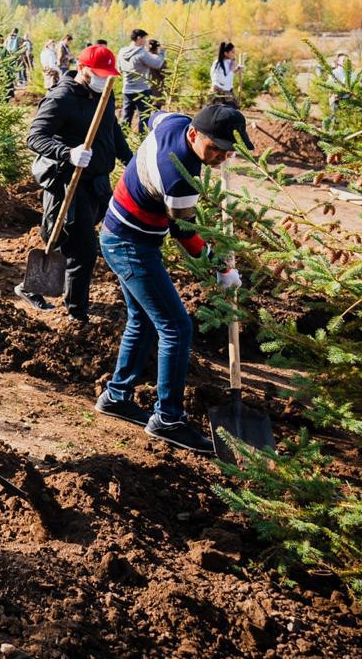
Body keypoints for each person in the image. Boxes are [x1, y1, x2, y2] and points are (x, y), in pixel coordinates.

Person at [95, 104, 253, 454]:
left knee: (143, 320)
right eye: (215, 149)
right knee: (177, 328)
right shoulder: (179, 176)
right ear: (194, 135)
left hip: (123, 235)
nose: (220, 159)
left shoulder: (175, 122)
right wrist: (219, 268)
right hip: (130, 245)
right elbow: (185, 232)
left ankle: (116, 396)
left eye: (228, 153)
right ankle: (168, 419)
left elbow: (155, 116)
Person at [15, 44, 132, 316]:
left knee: (68, 239)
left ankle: (32, 286)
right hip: (69, 183)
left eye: (108, 75)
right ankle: (76, 313)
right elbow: (34, 136)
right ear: (82, 69)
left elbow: (112, 129)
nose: (105, 80)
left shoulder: (105, 94)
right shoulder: (62, 97)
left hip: (97, 183)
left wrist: (131, 160)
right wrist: (67, 153)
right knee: (84, 250)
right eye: (98, 74)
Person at [117, 29, 166, 132]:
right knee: (144, 118)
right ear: (139, 38)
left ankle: (122, 139)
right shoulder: (141, 52)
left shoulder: (122, 51)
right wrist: (162, 53)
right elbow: (157, 64)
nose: (145, 41)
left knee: (126, 117)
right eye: (144, 38)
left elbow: (119, 69)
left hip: (127, 90)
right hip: (142, 90)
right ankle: (142, 141)